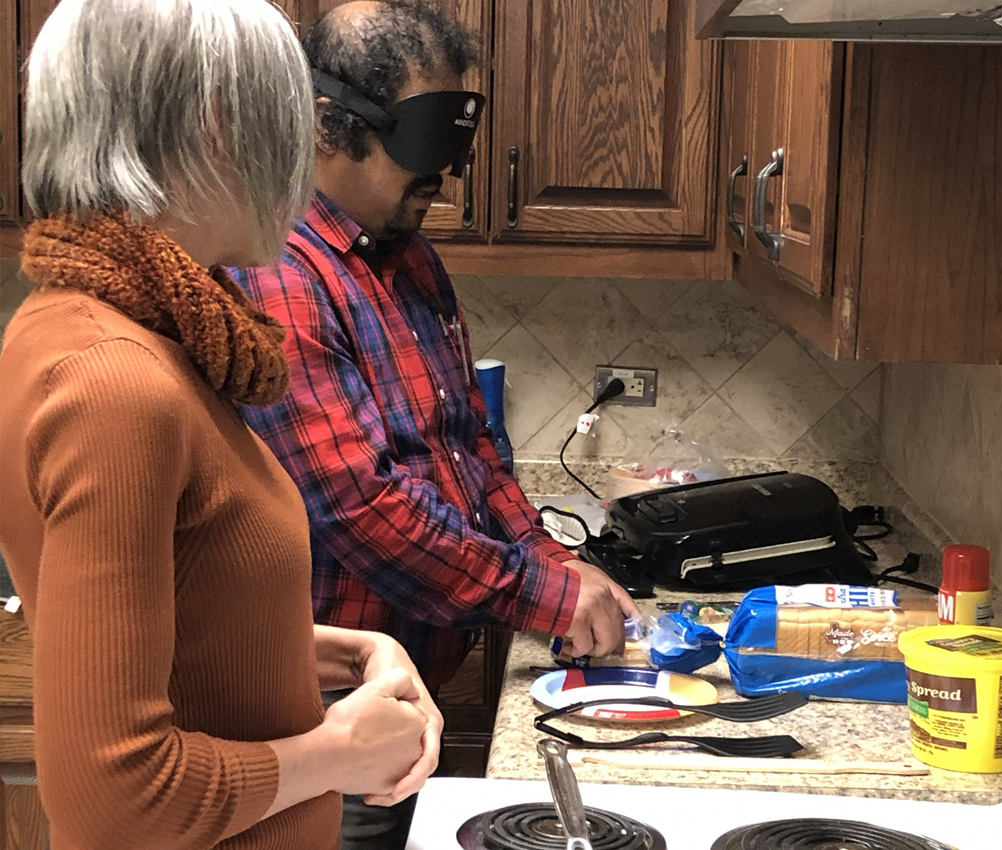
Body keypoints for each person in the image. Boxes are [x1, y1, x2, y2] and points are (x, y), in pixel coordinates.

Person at [0, 2, 441, 849]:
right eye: (287, 114)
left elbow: (184, 623)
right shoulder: (115, 381)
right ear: (213, 122)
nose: (303, 156)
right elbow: (116, 799)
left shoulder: (101, 326)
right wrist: (339, 754)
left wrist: (334, 651)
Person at [228, 1, 640, 845]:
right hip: (324, 722)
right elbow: (358, 504)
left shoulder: (407, 256)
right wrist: (542, 594)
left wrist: (549, 555)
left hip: (406, 697)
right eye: (425, 145)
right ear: (330, 125)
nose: (445, 177)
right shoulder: (279, 275)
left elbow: (472, 447)